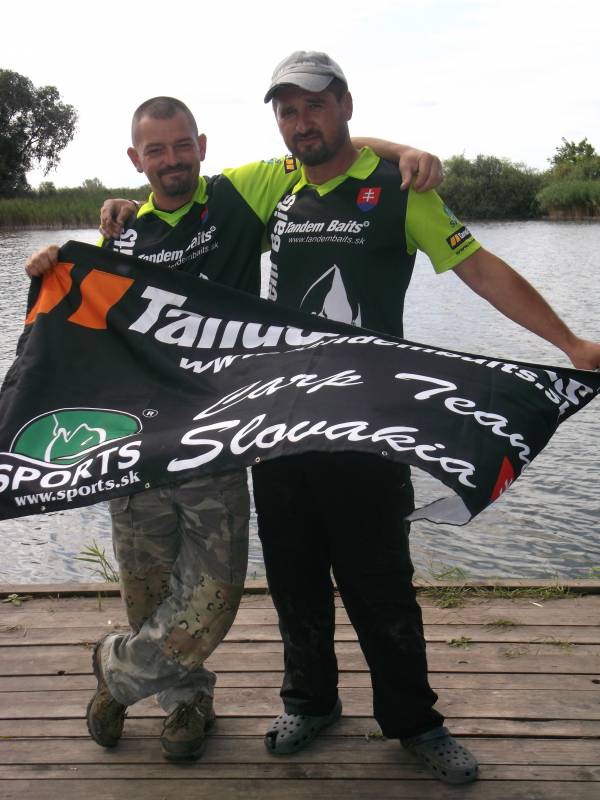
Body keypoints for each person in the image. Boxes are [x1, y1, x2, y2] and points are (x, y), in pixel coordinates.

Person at [25, 96, 442, 762]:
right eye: (156, 150)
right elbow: (84, 320)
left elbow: (326, 145)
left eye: (181, 145)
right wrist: (54, 264)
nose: (171, 160)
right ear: (136, 159)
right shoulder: (120, 235)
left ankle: (116, 671)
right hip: (135, 449)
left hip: (217, 444)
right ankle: (187, 702)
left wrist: (404, 152)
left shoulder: (240, 199)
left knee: (214, 599)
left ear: (202, 145)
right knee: (149, 594)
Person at [250, 50, 600, 785]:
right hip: (283, 429)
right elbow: (182, 202)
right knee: (293, 580)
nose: (301, 122)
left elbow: (480, 270)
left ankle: (414, 721)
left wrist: (570, 344)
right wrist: (117, 217)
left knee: (381, 583)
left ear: (345, 104)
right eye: (287, 110)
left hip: (374, 429)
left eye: (314, 105)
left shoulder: (400, 191)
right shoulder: (271, 184)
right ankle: (310, 702)